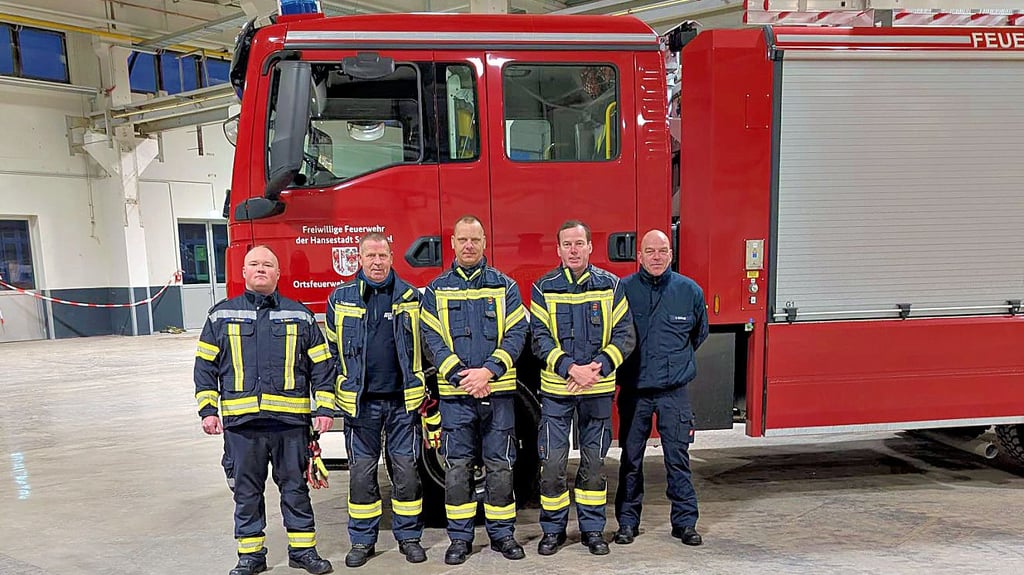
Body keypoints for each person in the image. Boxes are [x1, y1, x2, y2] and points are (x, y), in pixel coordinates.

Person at [194, 245, 336, 575]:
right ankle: (251, 556)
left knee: (296, 489)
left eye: (268, 265)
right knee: (246, 492)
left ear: (278, 273)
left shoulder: (299, 315)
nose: (261, 269)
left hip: (290, 424)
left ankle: (303, 551)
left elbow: (322, 366)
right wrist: (208, 410)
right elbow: (205, 366)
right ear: (243, 272)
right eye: (254, 264)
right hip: (242, 425)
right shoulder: (220, 315)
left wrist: (325, 408)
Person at [419, 215, 529, 565]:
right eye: (463, 240)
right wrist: (462, 377)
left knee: (501, 466)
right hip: (456, 399)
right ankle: (460, 538)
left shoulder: (505, 287)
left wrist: (488, 372)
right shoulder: (436, 290)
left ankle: (502, 535)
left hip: (497, 395)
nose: (469, 246)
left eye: (475, 240)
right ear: (452, 243)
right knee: (457, 469)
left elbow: (517, 334)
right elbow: (431, 339)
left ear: (485, 243)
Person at [529, 220, 636, 556]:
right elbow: (539, 339)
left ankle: (592, 530)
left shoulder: (611, 286)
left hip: (597, 391)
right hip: (557, 393)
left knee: (593, 464)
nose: (573, 250)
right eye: (567, 244)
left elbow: (625, 335)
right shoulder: (543, 288)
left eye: (579, 244)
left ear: (590, 247)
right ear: (558, 250)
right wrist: (570, 368)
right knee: (552, 464)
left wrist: (598, 367)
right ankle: (553, 531)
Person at [324, 233, 427, 568]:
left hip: (402, 403)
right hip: (361, 405)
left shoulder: (410, 296)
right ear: (360, 258)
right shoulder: (340, 299)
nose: (377, 262)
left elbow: (425, 346)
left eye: (382, 255)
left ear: (392, 257)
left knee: (406, 471)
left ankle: (409, 537)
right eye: (370, 256)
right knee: (361, 474)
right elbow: (330, 351)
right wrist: (338, 387)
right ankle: (362, 541)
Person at [613, 229, 708, 547]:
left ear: (671, 254)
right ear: (639, 255)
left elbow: (698, 334)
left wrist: (673, 364)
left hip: (673, 392)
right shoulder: (623, 290)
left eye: (662, 251)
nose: (656, 257)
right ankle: (627, 523)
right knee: (630, 459)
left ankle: (685, 523)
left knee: (678, 459)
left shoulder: (689, 291)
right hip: (634, 391)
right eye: (650, 251)